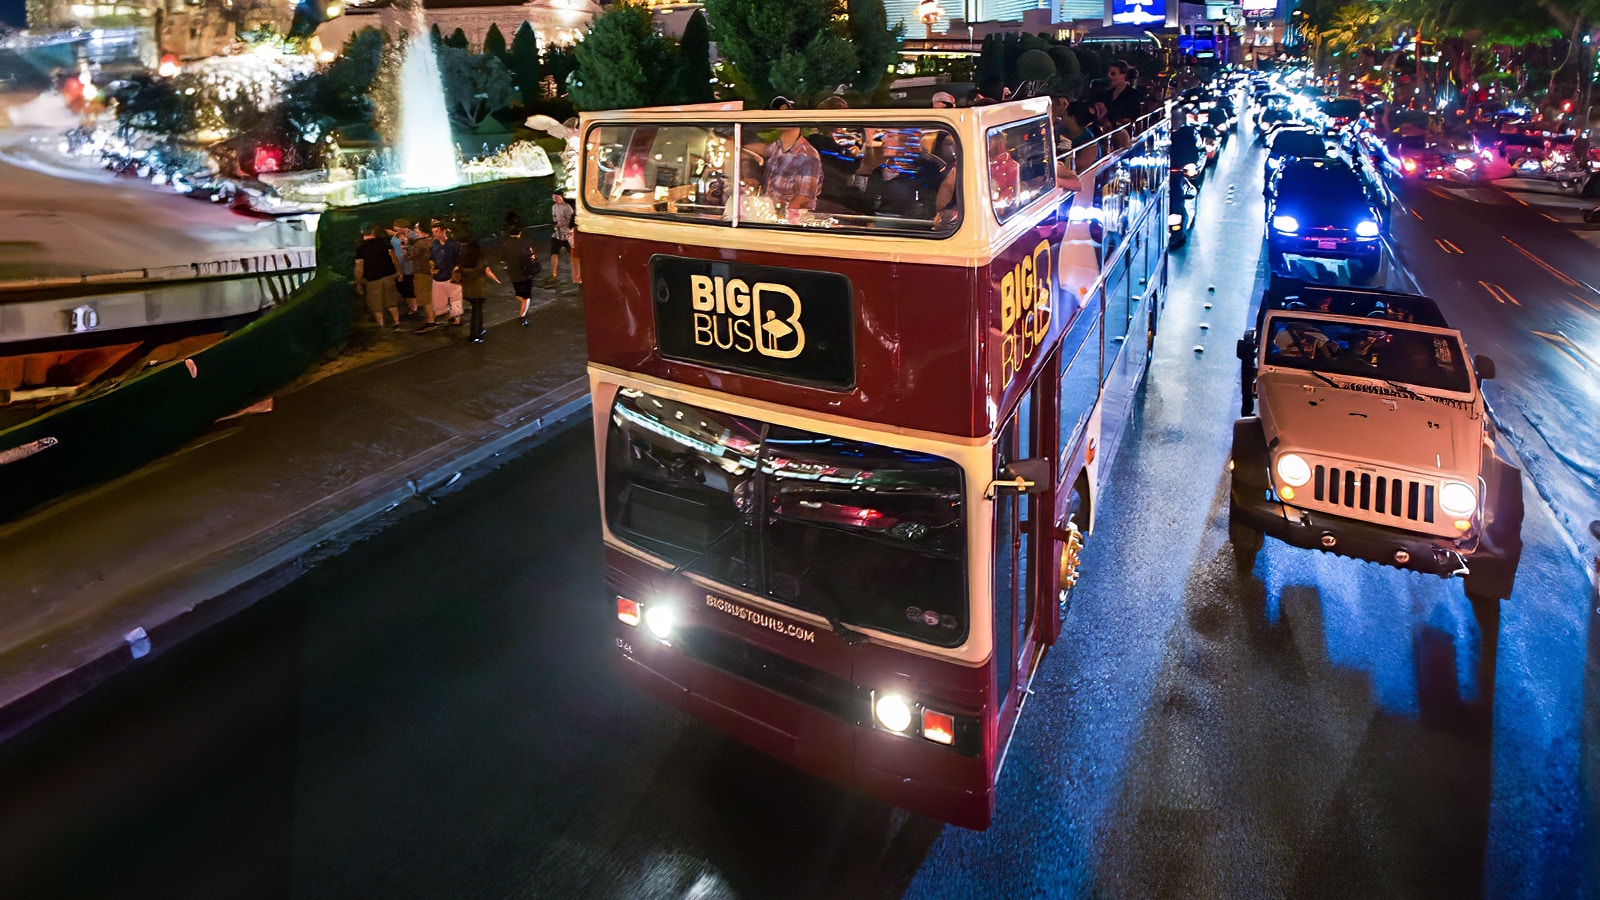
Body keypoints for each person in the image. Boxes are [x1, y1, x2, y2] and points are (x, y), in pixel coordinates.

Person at [864, 128, 948, 222]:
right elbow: (868, 208)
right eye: (884, 136)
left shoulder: (927, 170)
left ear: (907, 140)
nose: (884, 140)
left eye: (890, 136)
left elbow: (933, 208)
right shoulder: (877, 173)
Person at [761, 124, 824, 218]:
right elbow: (761, 149)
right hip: (767, 214)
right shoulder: (778, 146)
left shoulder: (808, 156)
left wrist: (778, 222)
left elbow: (801, 200)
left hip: (789, 220)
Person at [353, 222, 401, 329]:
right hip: (388, 275)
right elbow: (393, 258)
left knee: (375, 304)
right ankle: (396, 322)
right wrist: (398, 271)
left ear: (362, 233)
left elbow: (359, 267)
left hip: (372, 278)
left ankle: (381, 325)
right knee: (391, 300)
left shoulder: (361, 248)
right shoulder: (384, 242)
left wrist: (358, 283)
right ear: (373, 231)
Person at [497, 215, 540, 326]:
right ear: (519, 233)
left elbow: (502, 260)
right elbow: (532, 256)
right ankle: (522, 315)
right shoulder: (525, 244)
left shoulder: (505, 245)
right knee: (526, 295)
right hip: (526, 272)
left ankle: (522, 312)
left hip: (513, 273)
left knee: (519, 295)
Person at [456, 238, 501, 343]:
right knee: (477, 313)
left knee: (476, 311)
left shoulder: (462, 259)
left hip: (467, 289)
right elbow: (487, 271)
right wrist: (496, 280)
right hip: (478, 289)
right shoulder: (481, 259)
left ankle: (479, 331)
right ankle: (475, 335)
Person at [426, 220, 463, 330]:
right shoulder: (434, 245)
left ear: (443, 231)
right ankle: (450, 312)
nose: (435, 234)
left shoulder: (454, 244)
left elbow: (460, 259)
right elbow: (431, 259)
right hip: (438, 276)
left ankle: (456, 317)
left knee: (455, 297)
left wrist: (457, 270)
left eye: (437, 231)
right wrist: (432, 268)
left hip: (451, 275)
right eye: (433, 232)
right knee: (439, 305)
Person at [404, 220, 435, 327]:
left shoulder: (420, 244)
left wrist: (406, 245)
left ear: (423, 230)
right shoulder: (433, 240)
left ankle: (430, 321)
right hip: (434, 271)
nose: (415, 231)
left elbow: (408, 257)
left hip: (422, 272)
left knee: (426, 299)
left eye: (416, 228)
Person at [1099, 61, 1143, 128]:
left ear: (1124, 75)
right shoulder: (1107, 93)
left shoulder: (1133, 94)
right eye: (1108, 73)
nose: (1109, 76)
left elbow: (1133, 117)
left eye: (1113, 74)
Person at [544, 193, 574, 288]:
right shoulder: (554, 207)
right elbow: (554, 218)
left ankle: (579, 273)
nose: (555, 199)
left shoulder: (567, 207)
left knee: (573, 253)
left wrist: (566, 227)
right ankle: (554, 273)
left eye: (556, 197)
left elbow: (572, 220)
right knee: (554, 252)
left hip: (567, 233)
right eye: (553, 198)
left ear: (562, 197)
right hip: (557, 233)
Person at [390, 218, 418, 319]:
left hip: (410, 265)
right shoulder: (394, 238)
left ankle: (413, 309)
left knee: (409, 287)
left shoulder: (412, 235)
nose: (398, 231)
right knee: (401, 287)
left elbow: (417, 247)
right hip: (400, 265)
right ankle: (410, 305)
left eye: (399, 228)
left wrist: (406, 242)